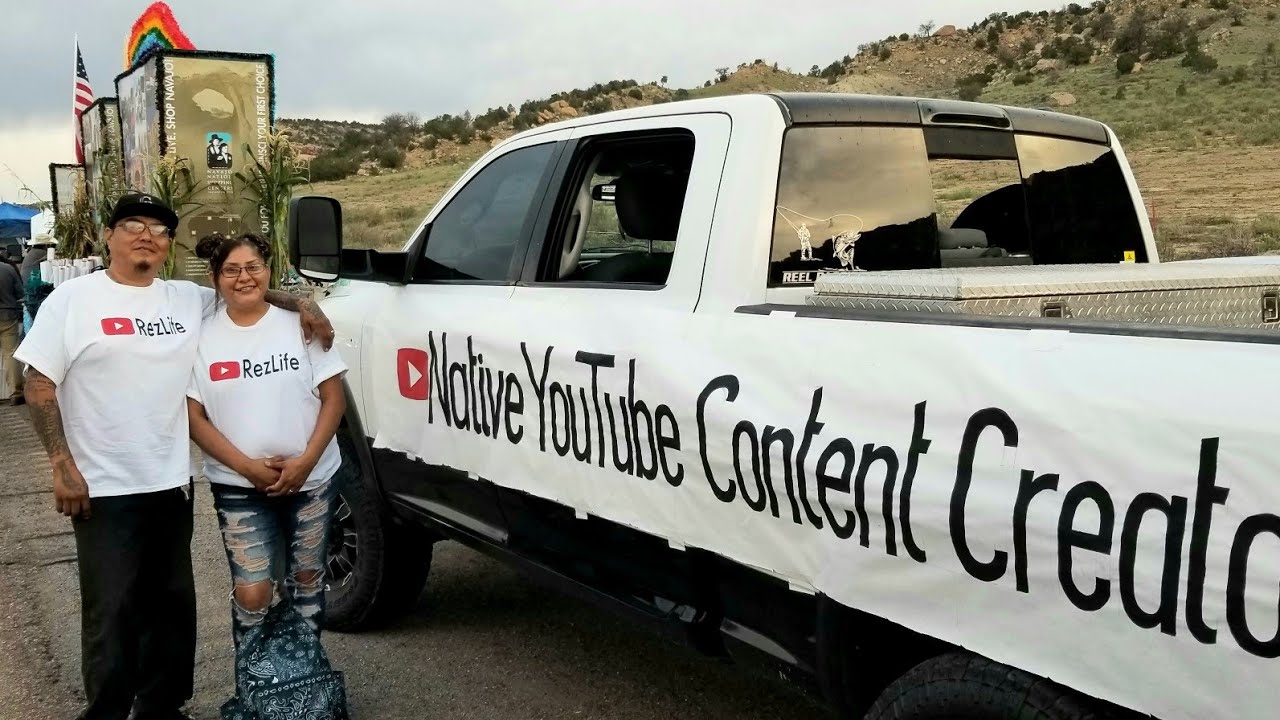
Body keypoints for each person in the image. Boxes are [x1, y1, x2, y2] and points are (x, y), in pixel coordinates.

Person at [13, 193, 335, 720]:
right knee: (113, 607)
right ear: (109, 236)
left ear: (167, 246)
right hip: (102, 485)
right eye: (133, 225)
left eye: (159, 230)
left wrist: (302, 303)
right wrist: (60, 464)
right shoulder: (74, 301)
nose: (147, 235)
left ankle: (162, 707)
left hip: (168, 481)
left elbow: (244, 289)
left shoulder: (185, 298)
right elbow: (39, 382)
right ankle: (108, 711)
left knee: (170, 605)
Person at [185, 232, 349, 707]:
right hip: (239, 485)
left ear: (268, 269)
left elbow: (333, 398)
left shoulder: (299, 325)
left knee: (306, 581)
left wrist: (305, 463)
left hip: (313, 481)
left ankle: (303, 690)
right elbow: (194, 416)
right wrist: (247, 468)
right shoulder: (202, 336)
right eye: (232, 270)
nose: (244, 277)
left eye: (253, 266)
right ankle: (256, 692)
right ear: (216, 279)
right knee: (254, 590)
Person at [0, 249, 22, 405]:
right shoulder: (8, 269)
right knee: (10, 353)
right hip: (7, 314)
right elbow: (20, 292)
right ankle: (16, 392)